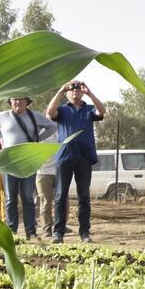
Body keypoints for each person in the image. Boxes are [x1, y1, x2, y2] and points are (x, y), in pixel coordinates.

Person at [0, 97, 57, 239]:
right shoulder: (3, 116)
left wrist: (38, 139)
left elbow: (52, 127)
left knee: (28, 197)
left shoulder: (35, 116)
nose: (18, 103)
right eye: (15, 100)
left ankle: (31, 231)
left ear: (27, 102)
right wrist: (0, 137)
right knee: (10, 198)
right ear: (10, 102)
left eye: (21, 100)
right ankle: (12, 230)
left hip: (28, 162)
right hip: (10, 162)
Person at [46, 80, 106, 243]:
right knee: (60, 196)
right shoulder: (63, 110)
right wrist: (59, 91)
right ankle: (58, 232)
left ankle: (84, 232)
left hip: (84, 157)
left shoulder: (88, 109)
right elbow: (50, 113)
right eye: (71, 90)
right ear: (67, 93)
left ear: (82, 92)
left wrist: (90, 93)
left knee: (84, 196)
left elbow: (102, 111)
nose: (75, 92)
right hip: (64, 157)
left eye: (78, 90)